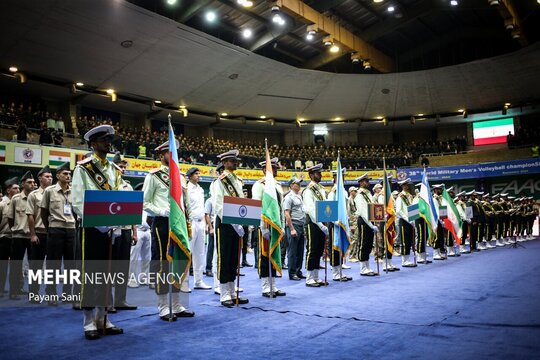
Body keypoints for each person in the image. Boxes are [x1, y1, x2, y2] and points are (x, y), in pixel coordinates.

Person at [72, 124, 124, 340]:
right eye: (103, 139)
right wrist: (99, 223)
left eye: (109, 139)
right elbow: (77, 202)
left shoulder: (115, 170)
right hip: (91, 230)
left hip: (111, 230)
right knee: (90, 274)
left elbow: (121, 200)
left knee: (107, 274)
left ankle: (104, 318)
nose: (108, 142)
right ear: (92, 144)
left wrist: (119, 223)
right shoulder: (83, 169)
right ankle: (88, 321)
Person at [143, 140, 194, 320]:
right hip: (163, 223)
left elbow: (185, 202)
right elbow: (145, 202)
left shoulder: (180, 175)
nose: (173, 156)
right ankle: (163, 305)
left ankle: (177, 303)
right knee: (163, 263)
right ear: (161, 155)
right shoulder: (154, 176)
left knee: (179, 262)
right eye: (169, 153)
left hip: (178, 223)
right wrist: (161, 211)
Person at [212, 150, 249, 307]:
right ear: (224, 162)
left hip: (237, 224)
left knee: (234, 258)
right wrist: (234, 223)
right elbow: (218, 205)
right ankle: (224, 293)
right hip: (225, 224)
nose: (236, 163)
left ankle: (232, 291)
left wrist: (241, 221)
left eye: (236, 160)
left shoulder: (237, 181)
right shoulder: (219, 182)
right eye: (232, 160)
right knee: (225, 258)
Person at [40, 162, 76, 303]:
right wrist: (49, 228)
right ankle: (51, 293)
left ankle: (67, 293)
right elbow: (43, 212)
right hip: (55, 229)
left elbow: (75, 212)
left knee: (70, 264)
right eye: (65, 173)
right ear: (58, 175)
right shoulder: (50, 191)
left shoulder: (74, 191)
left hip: (71, 230)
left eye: (69, 174)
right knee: (53, 264)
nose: (68, 176)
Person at [251, 157, 286, 297]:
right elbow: (257, 206)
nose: (276, 170)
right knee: (265, 255)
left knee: (274, 254)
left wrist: (282, 226)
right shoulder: (259, 185)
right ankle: (266, 286)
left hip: (275, 226)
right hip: (265, 225)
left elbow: (280, 208)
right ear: (265, 170)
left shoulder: (277, 185)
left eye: (276, 168)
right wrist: (263, 227)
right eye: (273, 168)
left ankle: (274, 285)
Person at [111, 154, 137, 310]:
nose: (123, 169)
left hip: (126, 229)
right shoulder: (107, 185)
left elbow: (133, 212)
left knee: (123, 266)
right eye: (120, 166)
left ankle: (120, 299)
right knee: (109, 266)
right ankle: (107, 300)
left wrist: (134, 231)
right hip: (111, 229)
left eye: (124, 166)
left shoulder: (128, 186)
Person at [26, 165, 53, 303]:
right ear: (40, 178)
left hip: (53, 233)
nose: (50, 179)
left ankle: (50, 293)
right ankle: (34, 293)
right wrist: (32, 234)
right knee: (35, 265)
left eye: (51, 177)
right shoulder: (34, 195)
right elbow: (30, 215)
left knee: (52, 266)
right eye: (47, 176)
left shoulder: (55, 193)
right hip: (40, 233)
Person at [7, 171, 35, 300]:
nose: (32, 185)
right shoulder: (16, 199)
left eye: (34, 183)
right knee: (16, 265)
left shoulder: (36, 197)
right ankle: (14, 290)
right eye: (29, 182)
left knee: (34, 265)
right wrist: (15, 229)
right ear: (22, 184)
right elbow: (10, 218)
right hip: (18, 236)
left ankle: (31, 290)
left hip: (32, 236)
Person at [302, 163, 329, 287]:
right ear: (311, 175)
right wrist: (320, 224)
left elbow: (324, 207)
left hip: (322, 222)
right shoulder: (308, 190)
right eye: (318, 173)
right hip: (313, 223)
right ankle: (309, 278)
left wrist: (327, 221)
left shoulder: (320, 189)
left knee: (319, 250)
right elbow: (311, 209)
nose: (321, 175)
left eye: (320, 173)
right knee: (312, 250)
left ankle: (316, 276)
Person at [186, 167, 212, 290]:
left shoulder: (201, 189)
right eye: (196, 174)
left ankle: (198, 281)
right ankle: (183, 282)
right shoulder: (186, 189)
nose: (199, 175)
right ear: (190, 176)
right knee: (188, 252)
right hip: (191, 222)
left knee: (200, 253)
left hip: (200, 222)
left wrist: (205, 225)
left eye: (199, 173)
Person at [354, 173, 378, 276]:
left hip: (370, 220)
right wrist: (370, 224)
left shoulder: (368, 193)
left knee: (368, 244)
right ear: (361, 182)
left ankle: (367, 266)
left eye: (368, 181)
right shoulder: (359, 194)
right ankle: (363, 267)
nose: (368, 182)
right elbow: (363, 211)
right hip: (364, 221)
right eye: (366, 181)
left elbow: (372, 208)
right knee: (363, 243)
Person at [128, 183, 151, 288]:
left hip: (148, 231)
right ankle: (131, 279)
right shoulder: (133, 203)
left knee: (147, 257)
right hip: (138, 230)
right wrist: (134, 233)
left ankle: (144, 277)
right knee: (134, 257)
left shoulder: (148, 203)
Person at [283, 177, 305, 281]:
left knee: (300, 250)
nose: (299, 185)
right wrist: (291, 229)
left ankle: (298, 271)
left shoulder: (299, 196)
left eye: (299, 183)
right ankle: (292, 273)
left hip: (301, 224)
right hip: (294, 224)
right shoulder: (288, 197)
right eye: (296, 183)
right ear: (291, 185)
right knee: (292, 250)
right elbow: (287, 214)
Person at [0, 178, 19, 297]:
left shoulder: (19, 202)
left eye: (18, 188)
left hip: (16, 237)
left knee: (15, 266)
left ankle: (15, 290)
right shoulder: (2, 204)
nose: (18, 190)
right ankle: (0, 289)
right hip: (4, 237)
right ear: (8, 190)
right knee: (2, 266)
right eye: (15, 188)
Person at [396, 178, 416, 267]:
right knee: (404, 241)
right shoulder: (400, 197)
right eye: (404, 185)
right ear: (402, 186)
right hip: (404, 221)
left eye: (407, 184)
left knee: (409, 240)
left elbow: (412, 208)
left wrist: (414, 218)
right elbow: (399, 211)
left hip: (410, 221)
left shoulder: (410, 196)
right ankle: (404, 260)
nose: (406, 186)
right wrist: (408, 219)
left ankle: (408, 259)